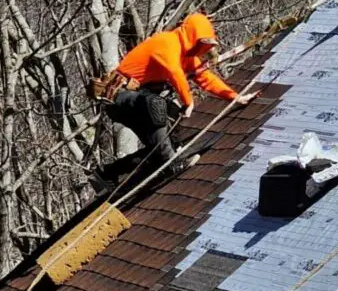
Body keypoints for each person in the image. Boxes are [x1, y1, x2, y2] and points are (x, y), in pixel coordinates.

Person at [88, 12, 257, 187]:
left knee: (162, 141)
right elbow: (174, 71)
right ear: (192, 36)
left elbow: (206, 78)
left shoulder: (186, 56)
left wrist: (236, 97)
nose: (202, 50)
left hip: (134, 100)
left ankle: (107, 173)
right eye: (202, 43)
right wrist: (188, 100)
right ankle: (171, 164)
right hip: (118, 96)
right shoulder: (167, 42)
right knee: (156, 105)